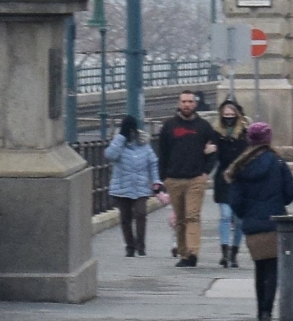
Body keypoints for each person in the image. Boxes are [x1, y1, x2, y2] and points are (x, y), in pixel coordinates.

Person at [225, 121, 293, 321]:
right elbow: (290, 193)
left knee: (260, 268)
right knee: (273, 269)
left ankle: (260, 313)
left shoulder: (241, 165)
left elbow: (236, 200)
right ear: (268, 139)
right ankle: (267, 311)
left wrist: (246, 214)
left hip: (252, 225)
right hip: (276, 223)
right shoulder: (277, 162)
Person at [154, 90, 218, 267]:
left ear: (195, 104)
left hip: (195, 178)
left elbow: (213, 150)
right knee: (180, 219)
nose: (187, 105)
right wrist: (163, 177)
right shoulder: (169, 127)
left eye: (190, 101)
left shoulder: (204, 127)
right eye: (184, 101)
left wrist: (206, 171)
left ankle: (192, 252)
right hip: (174, 179)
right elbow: (162, 153)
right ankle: (183, 253)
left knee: (192, 216)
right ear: (178, 104)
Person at [103, 115, 161, 258]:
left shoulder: (144, 144)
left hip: (141, 187)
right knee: (125, 217)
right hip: (122, 188)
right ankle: (130, 246)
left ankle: (141, 246)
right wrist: (121, 137)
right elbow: (109, 155)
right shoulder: (118, 143)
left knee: (141, 213)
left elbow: (152, 162)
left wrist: (156, 181)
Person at [207, 98, 251, 268]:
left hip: (241, 179)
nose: (229, 117)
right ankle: (224, 251)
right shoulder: (216, 133)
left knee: (239, 219)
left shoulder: (244, 132)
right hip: (223, 178)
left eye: (232, 114)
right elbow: (212, 155)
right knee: (225, 215)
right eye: (226, 115)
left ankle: (234, 251)